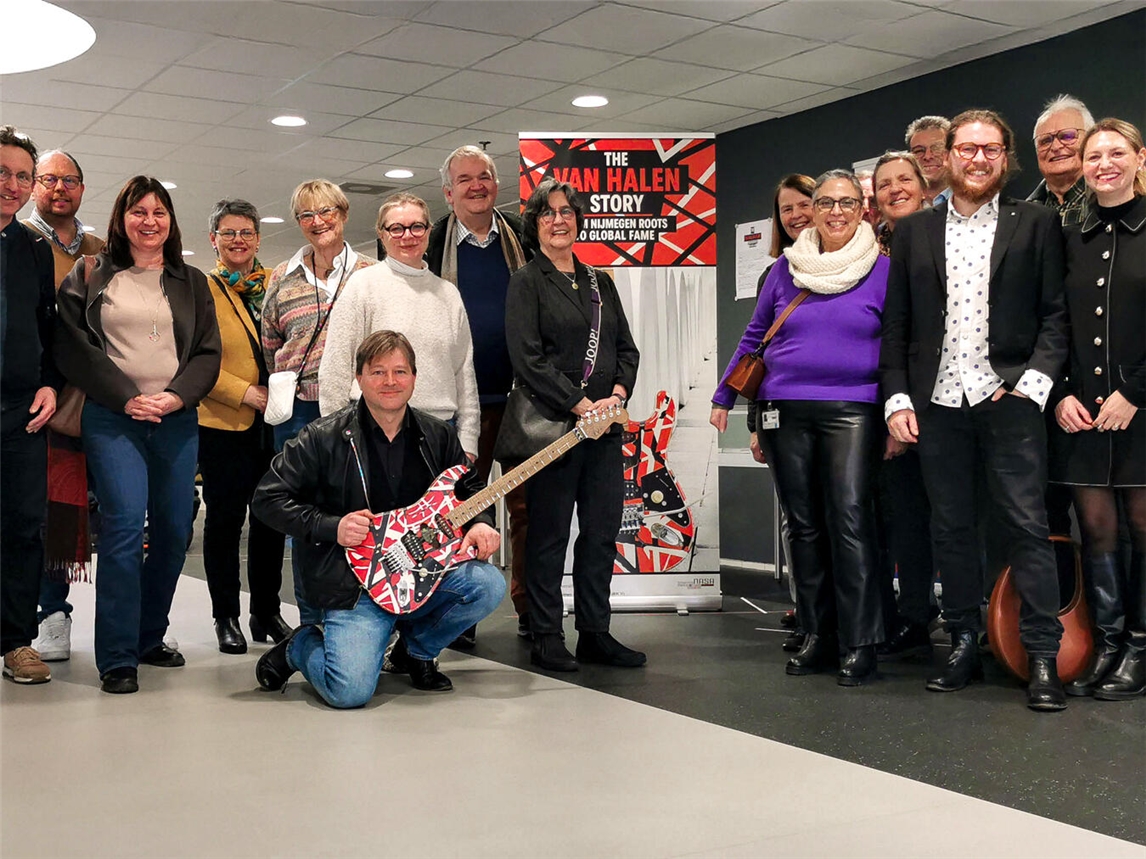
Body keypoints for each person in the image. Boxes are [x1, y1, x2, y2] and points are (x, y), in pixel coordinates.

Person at [880, 109, 1069, 711]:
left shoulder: (1036, 223)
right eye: (968, 148)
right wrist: (897, 400)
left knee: (1024, 527)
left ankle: (1042, 653)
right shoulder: (913, 233)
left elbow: (1055, 317)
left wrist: (1030, 387)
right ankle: (962, 640)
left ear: (1005, 157)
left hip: (1011, 401)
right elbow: (897, 328)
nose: (978, 158)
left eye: (990, 149)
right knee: (951, 529)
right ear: (949, 156)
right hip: (937, 405)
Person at [251, 331, 505, 708]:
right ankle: (301, 645)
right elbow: (266, 499)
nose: (390, 382)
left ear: (415, 379)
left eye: (400, 372)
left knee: (487, 584)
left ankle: (415, 653)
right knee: (349, 692)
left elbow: (469, 489)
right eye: (378, 372)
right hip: (353, 584)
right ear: (358, 378)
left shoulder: (438, 435)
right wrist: (331, 526)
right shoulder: (321, 437)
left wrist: (482, 521)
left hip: (423, 572)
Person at [712, 169, 888, 687]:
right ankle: (817, 634)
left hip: (854, 407)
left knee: (850, 521)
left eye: (847, 202)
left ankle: (860, 642)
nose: (836, 212)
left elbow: (900, 344)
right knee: (804, 524)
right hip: (782, 408)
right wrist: (724, 397)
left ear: (863, 209)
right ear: (811, 209)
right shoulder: (784, 272)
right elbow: (753, 337)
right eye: (826, 202)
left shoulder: (883, 271)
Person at [55, 175, 221, 694]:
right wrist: (127, 396)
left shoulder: (191, 280)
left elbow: (207, 353)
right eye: (138, 211)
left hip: (175, 419)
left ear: (170, 221)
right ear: (121, 218)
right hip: (113, 417)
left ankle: (150, 635)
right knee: (125, 529)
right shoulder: (91, 275)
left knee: (174, 532)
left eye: (159, 212)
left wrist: (173, 398)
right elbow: (73, 347)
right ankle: (118, 656)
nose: (149, 221)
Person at [504, 178, 642, 672]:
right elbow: (527, 360)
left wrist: (618, 395)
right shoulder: (527, 281)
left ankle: (595, 631)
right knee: (548, 535)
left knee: (601, 533)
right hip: (554, 429)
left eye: (566, 211)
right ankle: (545, 633)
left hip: (605, 431)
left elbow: (626, 349)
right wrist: (582, 404)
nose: (558, 220)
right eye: (547, 213)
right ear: (535, 224)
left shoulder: (599, 282)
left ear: (578, 219)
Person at [1052, 118, 1146, 700]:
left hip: (1141, 411)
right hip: (1081, 413)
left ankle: (1139, 645)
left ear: (1140, 159)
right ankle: (1109, 645)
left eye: (1117, 153)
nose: (1104, 163)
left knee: (1142, 527)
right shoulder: (1070, 236)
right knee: (1096, 529)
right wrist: (1060, 391)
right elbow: (1052, 322)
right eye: (1095, 155)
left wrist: (1135, 392)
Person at [426, 145, 532, 644]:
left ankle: (532, 611)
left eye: (484, 176)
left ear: (496, 184)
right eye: (464, 179)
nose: (476, 186)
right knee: (463, 508)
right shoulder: (431, 243)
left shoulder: (521, 236)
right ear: (449, 192)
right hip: (461, 401)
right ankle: (460, 618)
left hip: (524, 400)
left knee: (529, 509)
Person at [261, 179, 376, 625]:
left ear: (344, 215)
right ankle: (311, 621)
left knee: (356, 514)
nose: (318, 222)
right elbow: (271, 344)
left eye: (326, 211)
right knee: (304, 522)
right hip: (299, 415)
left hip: (353, 410)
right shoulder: (281, 278)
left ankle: (357, 618)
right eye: (306, 215)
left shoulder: (368, 273)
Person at [317, 192, 480, 461]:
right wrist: (335, 441)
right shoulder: (362, 286)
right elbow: (335, 369)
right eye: (396, 228)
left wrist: (469, 442)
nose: (408, 236)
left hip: (441, 435)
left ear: (428, 231)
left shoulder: (448, 294)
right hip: (374, 434)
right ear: (381, 235)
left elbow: (464, 373)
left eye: (417, 226)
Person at [23, 149, 104, 663]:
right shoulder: (19, 242)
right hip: (36, 398)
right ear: (33, 186)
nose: (59, 188)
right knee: (43, 513)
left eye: (69, 180)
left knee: (89, 514)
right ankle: (45, 614)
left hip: (97, 398)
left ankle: (72, 614)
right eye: (48, 179)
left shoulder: (101, 247)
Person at [199, 199, 288, 654]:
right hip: (223, 423)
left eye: (246, 233)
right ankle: (226, 616)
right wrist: (245, 392)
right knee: (226, 521)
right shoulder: (202, 288)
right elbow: (193, 360)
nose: (238, 240)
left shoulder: (276, 283)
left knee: (272, 518)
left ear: (258, 238)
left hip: (276, 423)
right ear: (213, 239)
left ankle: (266, 611)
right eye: (228, 233)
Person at [869, 151, 937, 655]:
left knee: (960, 521)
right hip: (888, 405)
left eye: (904, 180)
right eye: (885, 183)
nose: (895, 189)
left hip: (949, 402)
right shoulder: (868, 252)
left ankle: (975, 624)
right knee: (904, 522)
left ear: (924, 185)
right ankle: (912, 617)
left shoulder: (947, 235)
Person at [1, 126, 61, 685]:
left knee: (23, 526)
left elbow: (48, 324)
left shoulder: (34, 249)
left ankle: (16, 640)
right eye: (2, 171)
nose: (12, 184)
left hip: (21, 410)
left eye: (23, 175)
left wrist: (49, 382)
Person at [1027, 94, 1094, 228]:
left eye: (1067, 136)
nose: (1056, 147)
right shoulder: (1024, 215)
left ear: (1091, 140)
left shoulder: (1113, 200)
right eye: (1045, 141)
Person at [905, 115, 951, 206]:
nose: (928, 156)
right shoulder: (903, 207)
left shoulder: (972, 200)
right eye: (919, 151)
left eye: (937, 148)